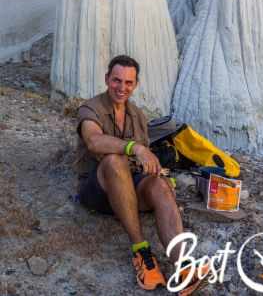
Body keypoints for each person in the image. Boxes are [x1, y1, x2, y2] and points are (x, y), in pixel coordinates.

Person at [76, 55, 206, 294]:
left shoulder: (137, 115)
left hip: (129, 189)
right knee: (115, 161)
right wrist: (134, 147)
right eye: (117, 80)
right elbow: (94, 141)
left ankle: (183, 266)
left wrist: (159, 176)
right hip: (98, 190)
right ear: (107, 79)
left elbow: (142, 166)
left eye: (128, 83)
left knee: (159, 185)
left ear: (135, 85)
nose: (121, 88)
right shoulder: (90, 108)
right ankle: (142, 252)